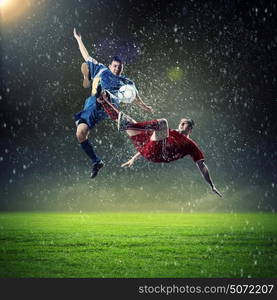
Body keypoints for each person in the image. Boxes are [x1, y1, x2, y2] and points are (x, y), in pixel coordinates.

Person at [97, 91, 222, 197]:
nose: (181, 124)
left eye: (185, 124)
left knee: (162, 122)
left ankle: (129, 125)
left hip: (161, 154)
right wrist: (133, 158)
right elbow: (154, 139)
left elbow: (202, 166)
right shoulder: (170, 132)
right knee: (125, 119)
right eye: (181, 123)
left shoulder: (191, 144)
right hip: (147, 149)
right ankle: (103, 101)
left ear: (190, 129)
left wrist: (212, 185)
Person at [73, 28, 153, 178]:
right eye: (115, 66)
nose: (117, 68)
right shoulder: (101, 69)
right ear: (110, 66)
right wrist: (78, 39)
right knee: (80, 133)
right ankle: (96, 162)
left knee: (105, 97)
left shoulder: (125, 82)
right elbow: (86, 55)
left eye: (119, 67)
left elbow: (134, 96)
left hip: (109, 105)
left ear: (122, 69)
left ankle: (103, 95)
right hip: (91, 105)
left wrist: (144, 106)